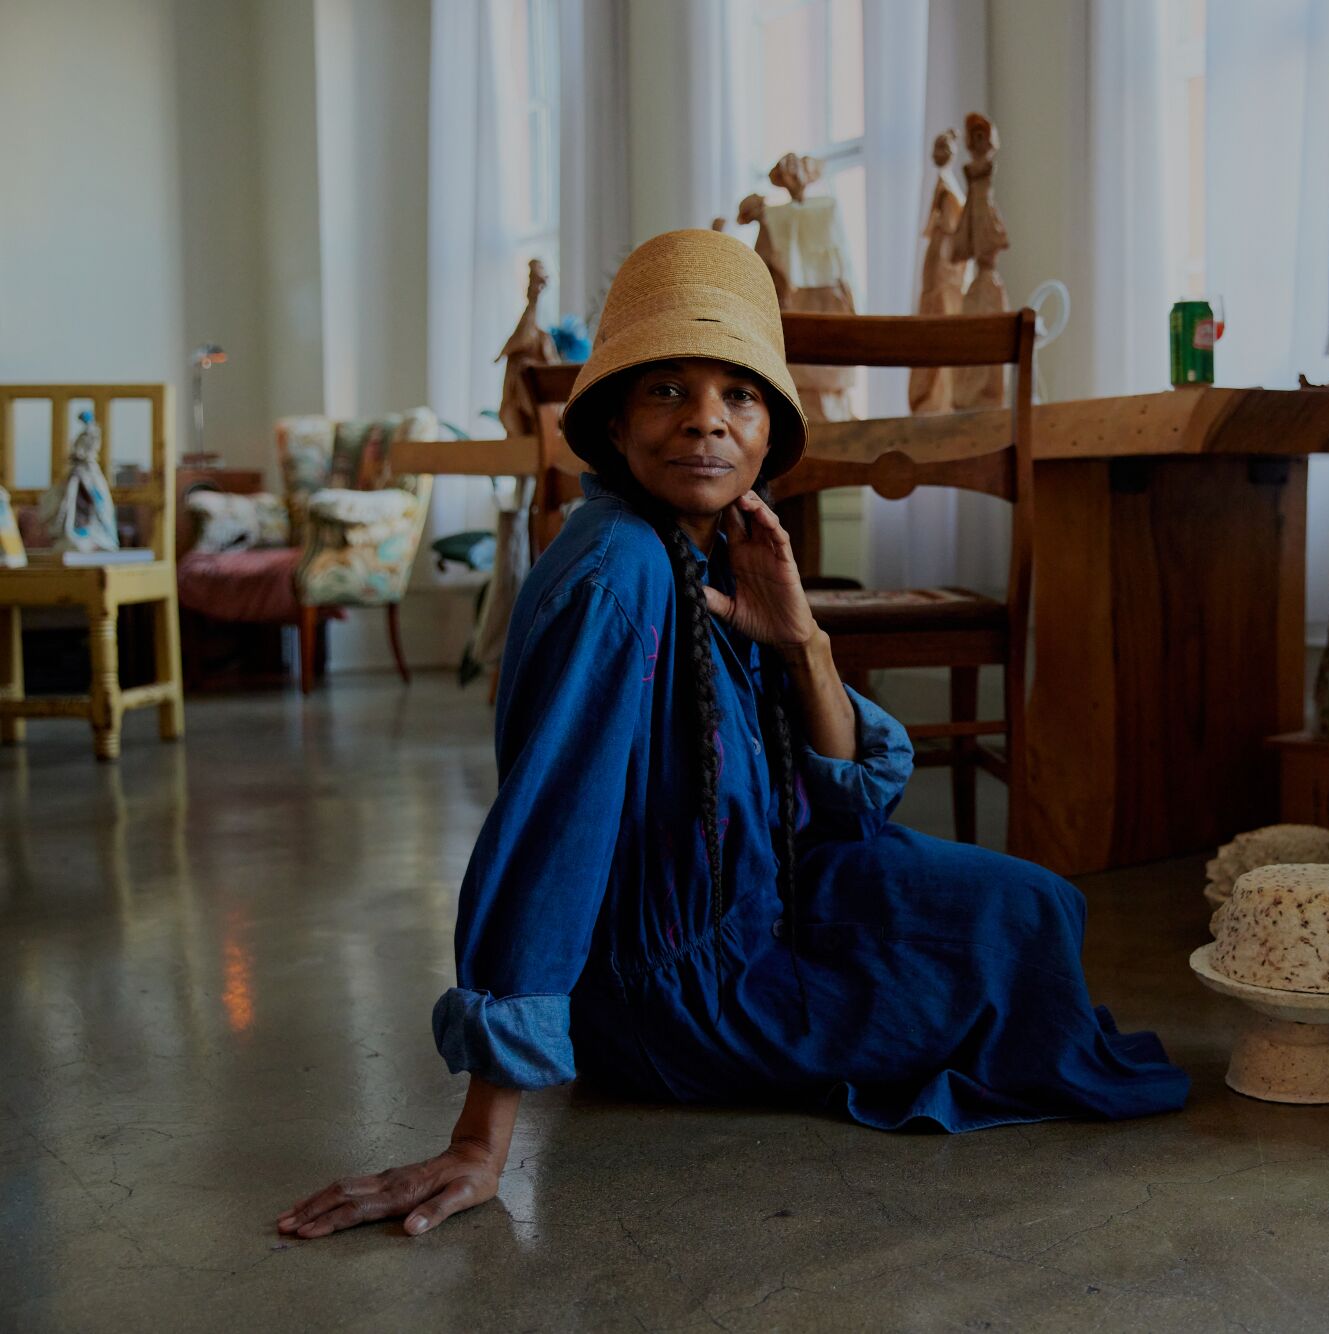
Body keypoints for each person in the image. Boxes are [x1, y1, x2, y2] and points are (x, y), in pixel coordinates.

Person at [277, 229, 1188, 1241]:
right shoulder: (621, 573)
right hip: (677, 990)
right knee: (1014, 956)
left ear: (766, 431)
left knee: (1039, 906)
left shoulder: (711, 547)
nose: (705, 419)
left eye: (738, 395)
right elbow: (550, 832)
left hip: (764, 893)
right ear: (614, 421)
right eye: (667, 390)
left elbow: (848, 800)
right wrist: (479, 1139)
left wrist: (798, 638)